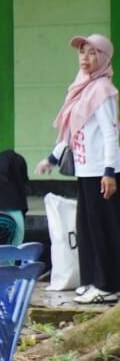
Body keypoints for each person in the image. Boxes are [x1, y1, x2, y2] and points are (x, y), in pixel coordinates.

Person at [36, 33, 120, 304]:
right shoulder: (80, 87)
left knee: (103, 230)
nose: (85, 57)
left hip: (101, 173)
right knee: (86, 230)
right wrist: (51, 159)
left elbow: (111, 134)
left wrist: (110, 172)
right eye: (82, 52)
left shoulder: (103, 90)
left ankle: (108, 285)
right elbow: (70, 132)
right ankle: (92, 281)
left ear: (104, 58)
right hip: (84, 172)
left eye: (93, 52)